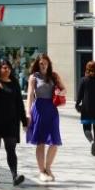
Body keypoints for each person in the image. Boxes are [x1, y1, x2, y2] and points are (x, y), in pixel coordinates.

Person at [26, 54, 63, 182]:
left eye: (45, 63)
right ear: (37, 64)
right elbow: (30, 95)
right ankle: (41, 171)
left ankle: (48, 168)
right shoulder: (33, 77)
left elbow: (64, 90)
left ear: (49, 64)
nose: (43, 65)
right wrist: (28, 113)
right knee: (41, 141)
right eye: (41, 63)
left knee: (54, 141)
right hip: (39, 109)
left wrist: (60, 92)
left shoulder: (54, 76)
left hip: (52, 110)